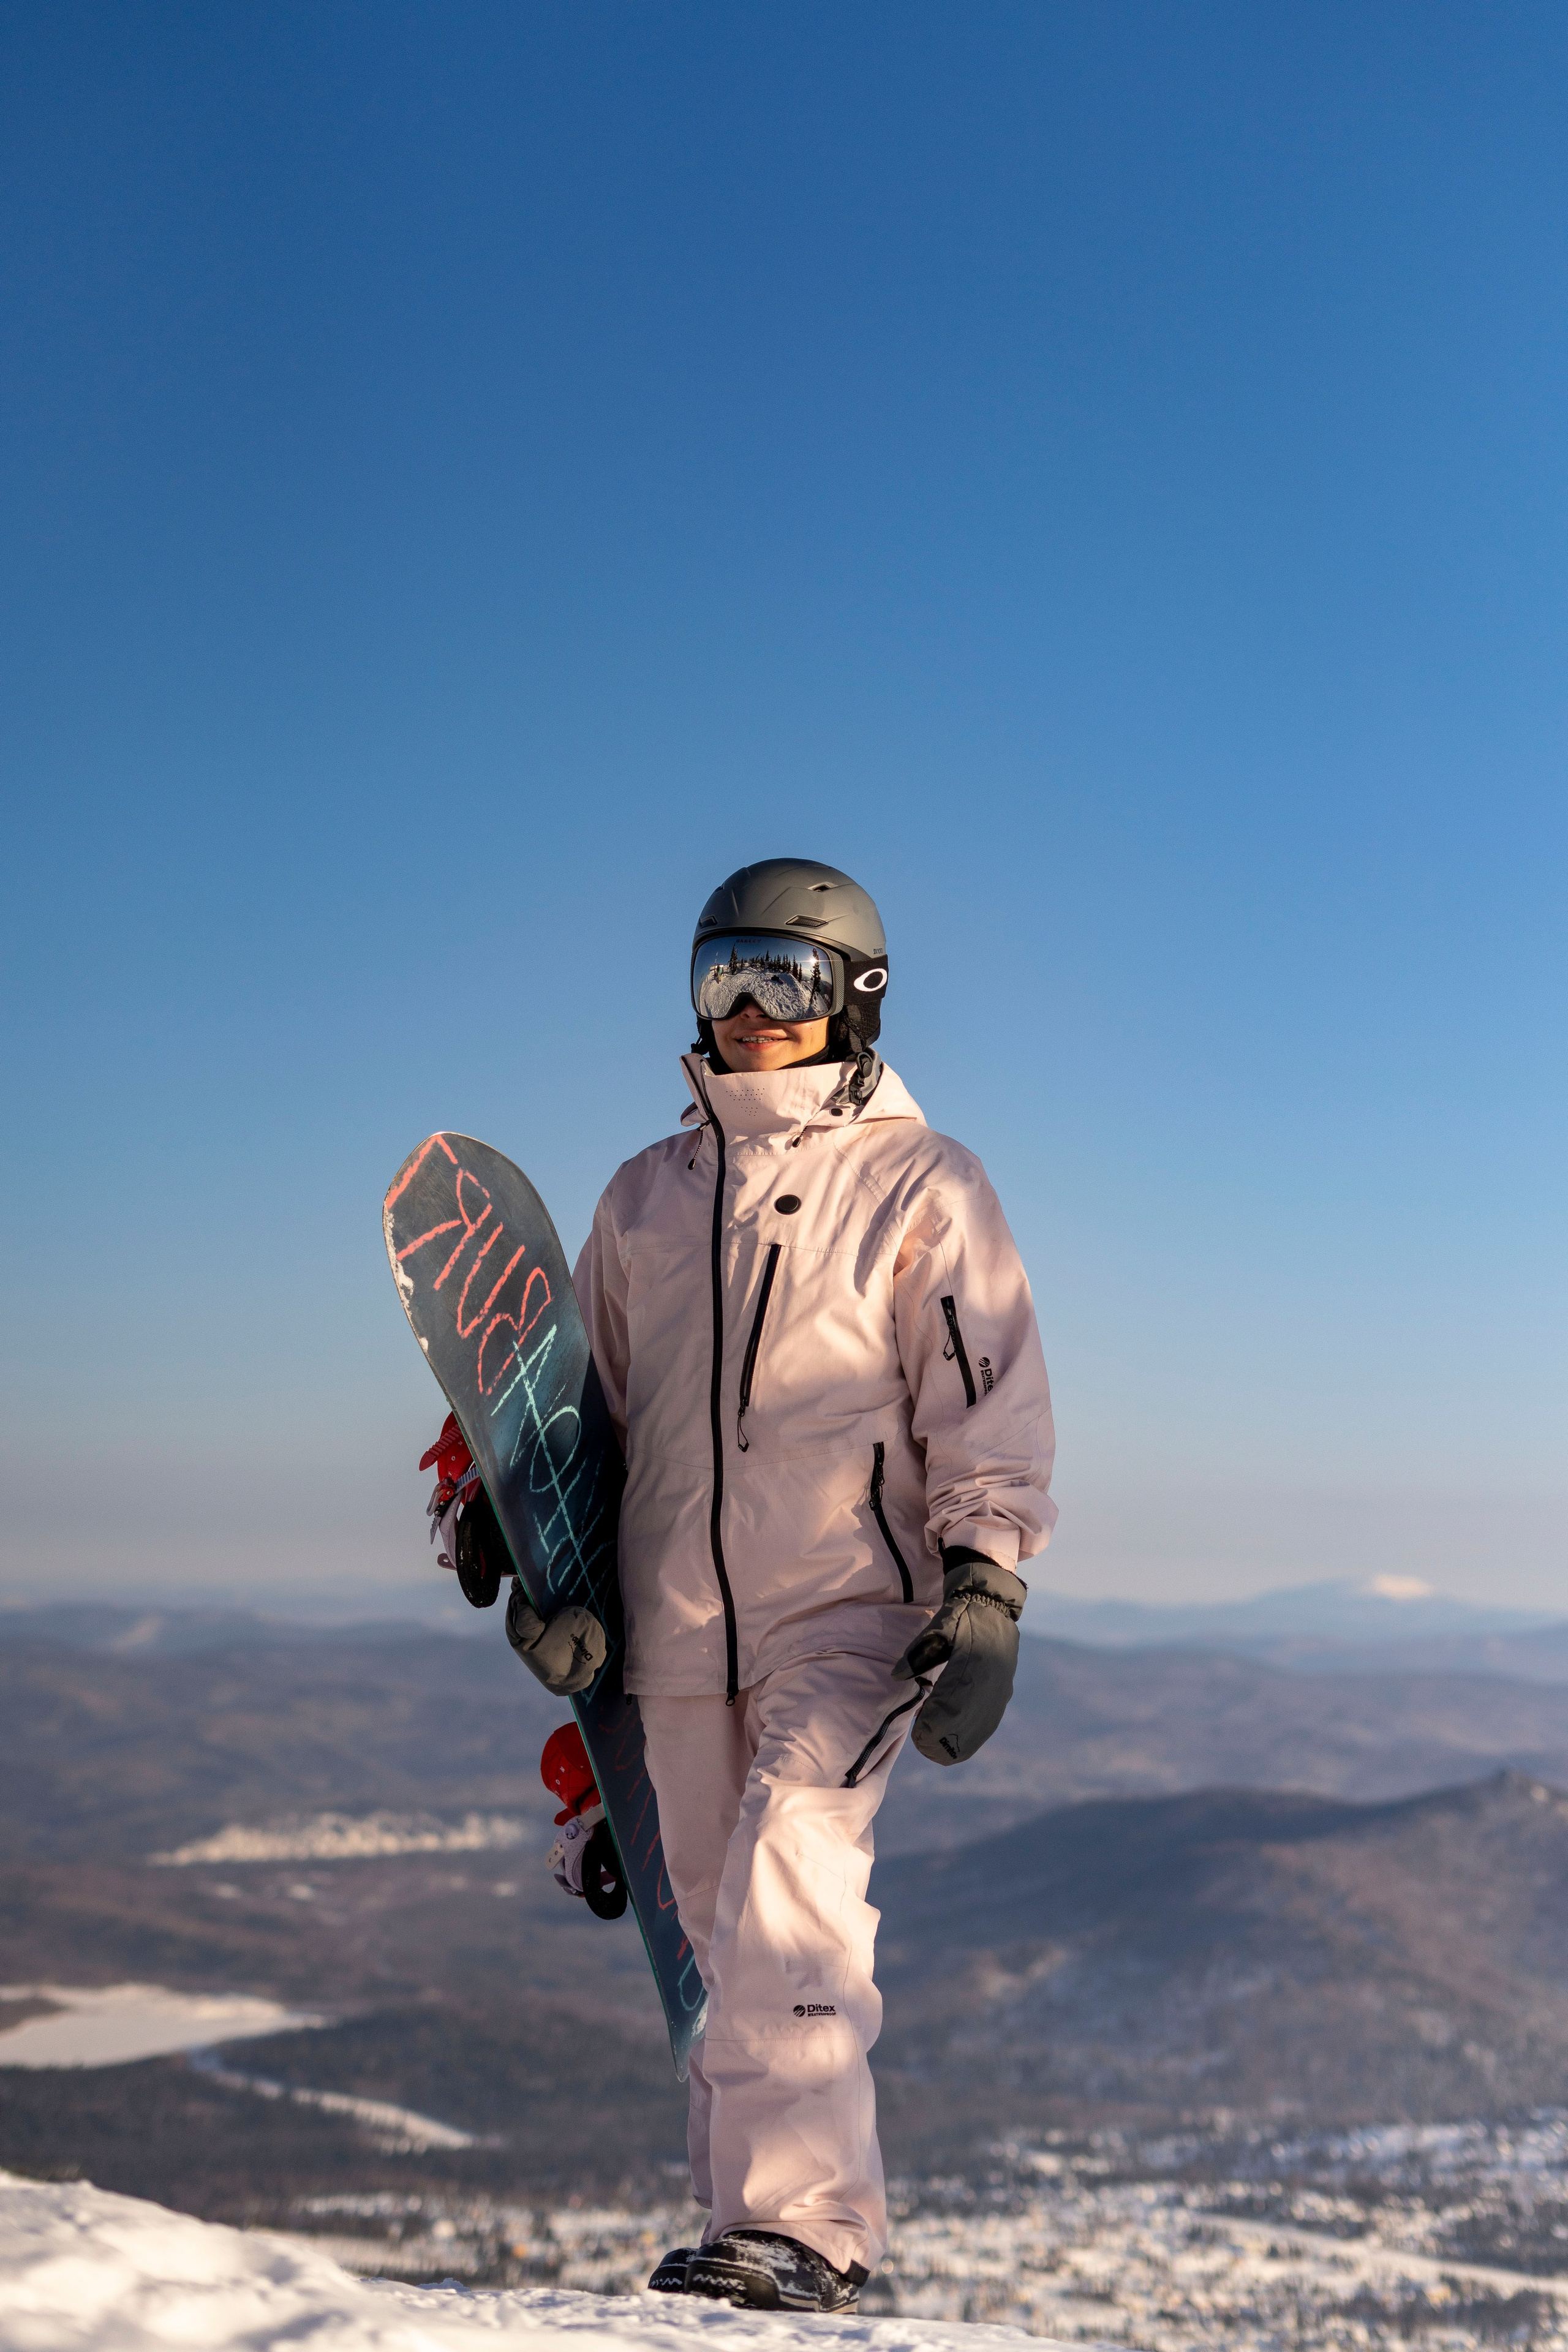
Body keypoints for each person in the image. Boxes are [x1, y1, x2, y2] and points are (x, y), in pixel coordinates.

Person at [510, 858, 1055, 2312]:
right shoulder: (641, 1200)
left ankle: (808, 2225)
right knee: (703, 1929)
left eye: (786, 981)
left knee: (786, 1888)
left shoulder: (920, 1187)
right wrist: (532, 1562)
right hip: (676, 1631)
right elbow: (586, 1423)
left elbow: (981, 1398)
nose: (749, 1013)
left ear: (854, 1002)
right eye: (722, 981)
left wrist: (984, 1586)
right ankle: (739, 2221)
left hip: (850, 1611)